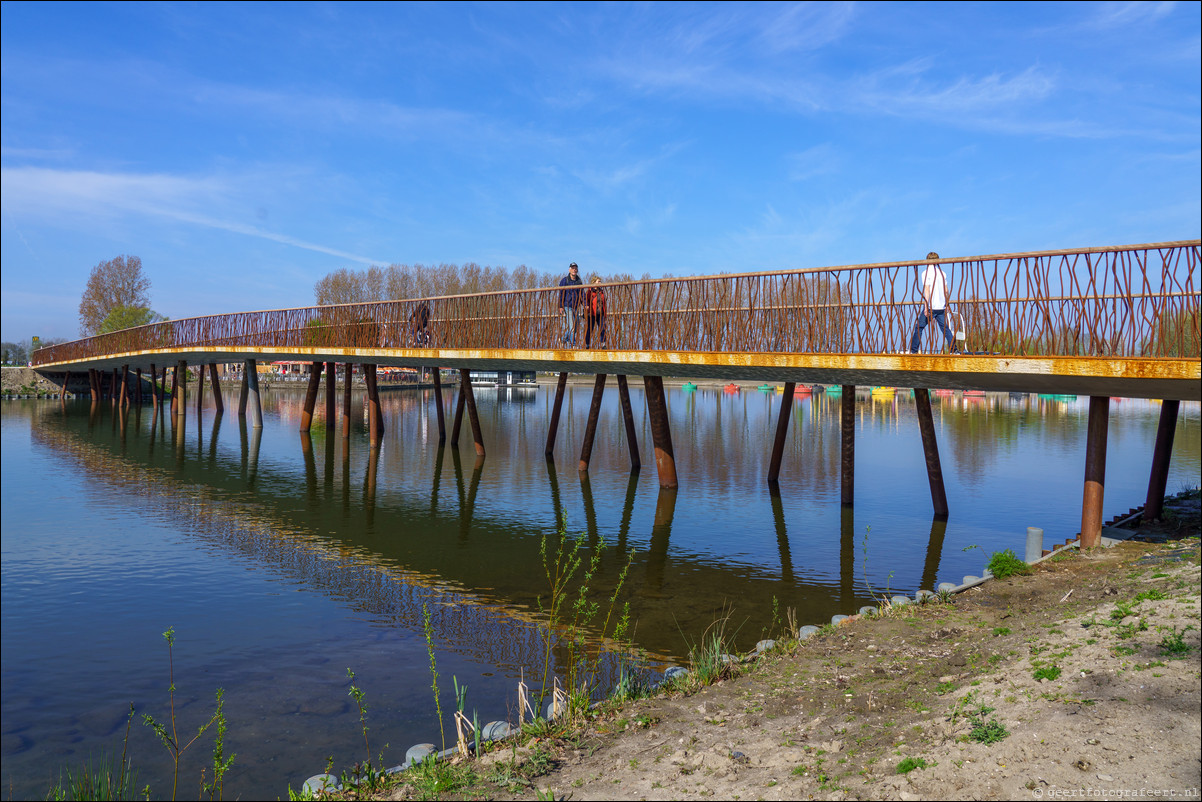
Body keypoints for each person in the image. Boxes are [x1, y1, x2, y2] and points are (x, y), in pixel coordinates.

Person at [909, 251, 956, 354]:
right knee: (945, 329)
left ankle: (913, 351)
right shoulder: (942, 273)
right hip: (941, 306)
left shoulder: (925, 273)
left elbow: (927, 290)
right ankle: (954, 350)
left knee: (919, 327)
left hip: (931, 306)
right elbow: (946, 290)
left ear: (927, 260)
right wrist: (947, 304)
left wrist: (926, 307)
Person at [558, 262, 583, 346]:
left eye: (575, 268)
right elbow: (561, 293)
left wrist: (585, 304)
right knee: (571, 326)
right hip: (567, 306)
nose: (574, 270)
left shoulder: (579, 281)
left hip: (575, 306)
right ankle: (573, 345)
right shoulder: (565, 280)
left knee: (575, 327)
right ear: (569, 270)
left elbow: (582, 294)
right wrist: (560, 306)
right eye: (572, 268)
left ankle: (563, 339)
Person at [584, 276, 608, 349]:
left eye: (600, 281)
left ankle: (603, 344)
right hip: (592, 313)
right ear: (594, 282)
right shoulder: (589, 291)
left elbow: (604, 302)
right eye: (598, 281)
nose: (600, 283)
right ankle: (587, 345)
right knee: (589, 329)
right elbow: (586, 300)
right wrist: (587, 307)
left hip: (601, 313)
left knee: (602, 328)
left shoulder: (601, 291)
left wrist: (604, 312)